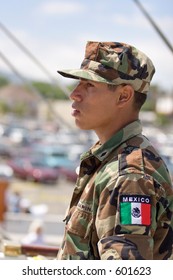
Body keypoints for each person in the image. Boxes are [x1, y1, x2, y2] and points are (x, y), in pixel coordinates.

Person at [56, 41, 173, 260]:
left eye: (89, 85)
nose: (74, 94)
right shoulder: (111, 158)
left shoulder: (130, 175)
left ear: (123, 96)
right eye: (78, 83)